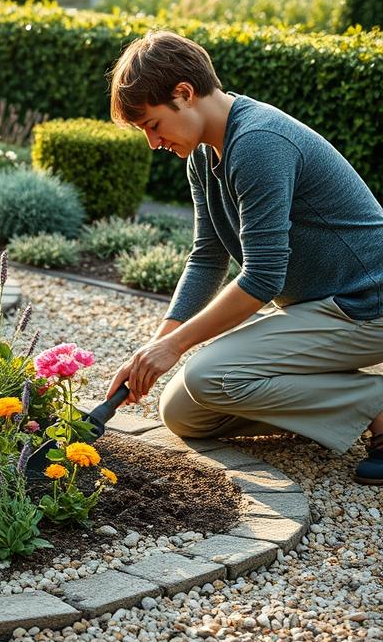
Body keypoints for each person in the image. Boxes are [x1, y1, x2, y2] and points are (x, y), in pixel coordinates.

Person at [104, 30, 383, 485]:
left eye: (153, 125)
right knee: (184, 412)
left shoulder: (258, 142)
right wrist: (152, 350)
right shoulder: (202, 155)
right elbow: (207, 257)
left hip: (368, 305)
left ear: (184, 94)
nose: (153, 142)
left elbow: (263, 277)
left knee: (208, 376)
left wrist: (175, 347)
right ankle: (336, 408)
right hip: (323, 307)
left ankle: (375, 404)